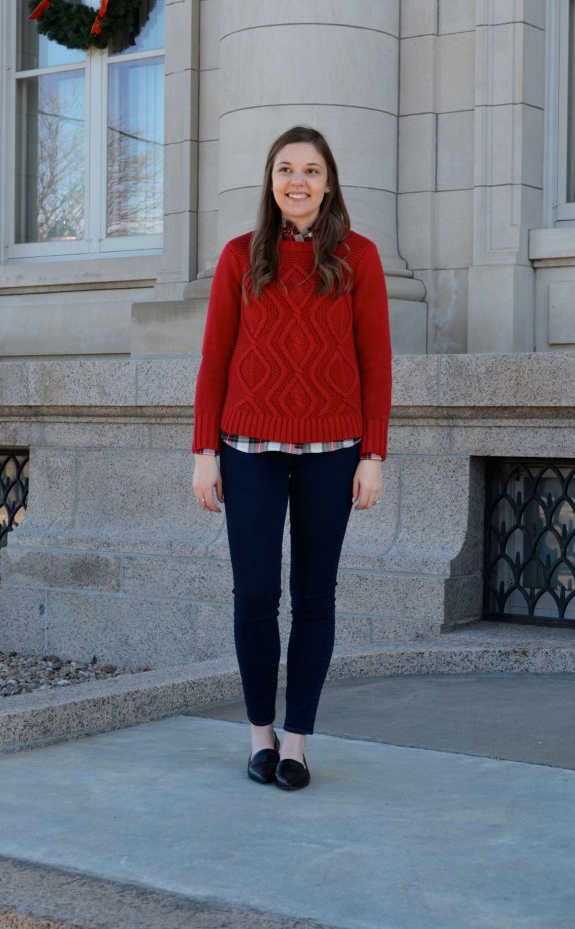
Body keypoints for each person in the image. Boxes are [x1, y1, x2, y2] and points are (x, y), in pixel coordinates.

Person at [192, 126, 392, 790]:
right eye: (285, 169)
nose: (297, 181)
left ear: (329, 183)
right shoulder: (237, 258)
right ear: (271, 182)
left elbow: (376, 363)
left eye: (310, 170)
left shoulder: (358, 257)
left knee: (314, 597)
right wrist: (203, 452)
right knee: (254, 595)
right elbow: (215, 358)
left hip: (332, 451)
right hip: (246, 448)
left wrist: (374, 454)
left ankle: (297, 742)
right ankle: (259, 734)